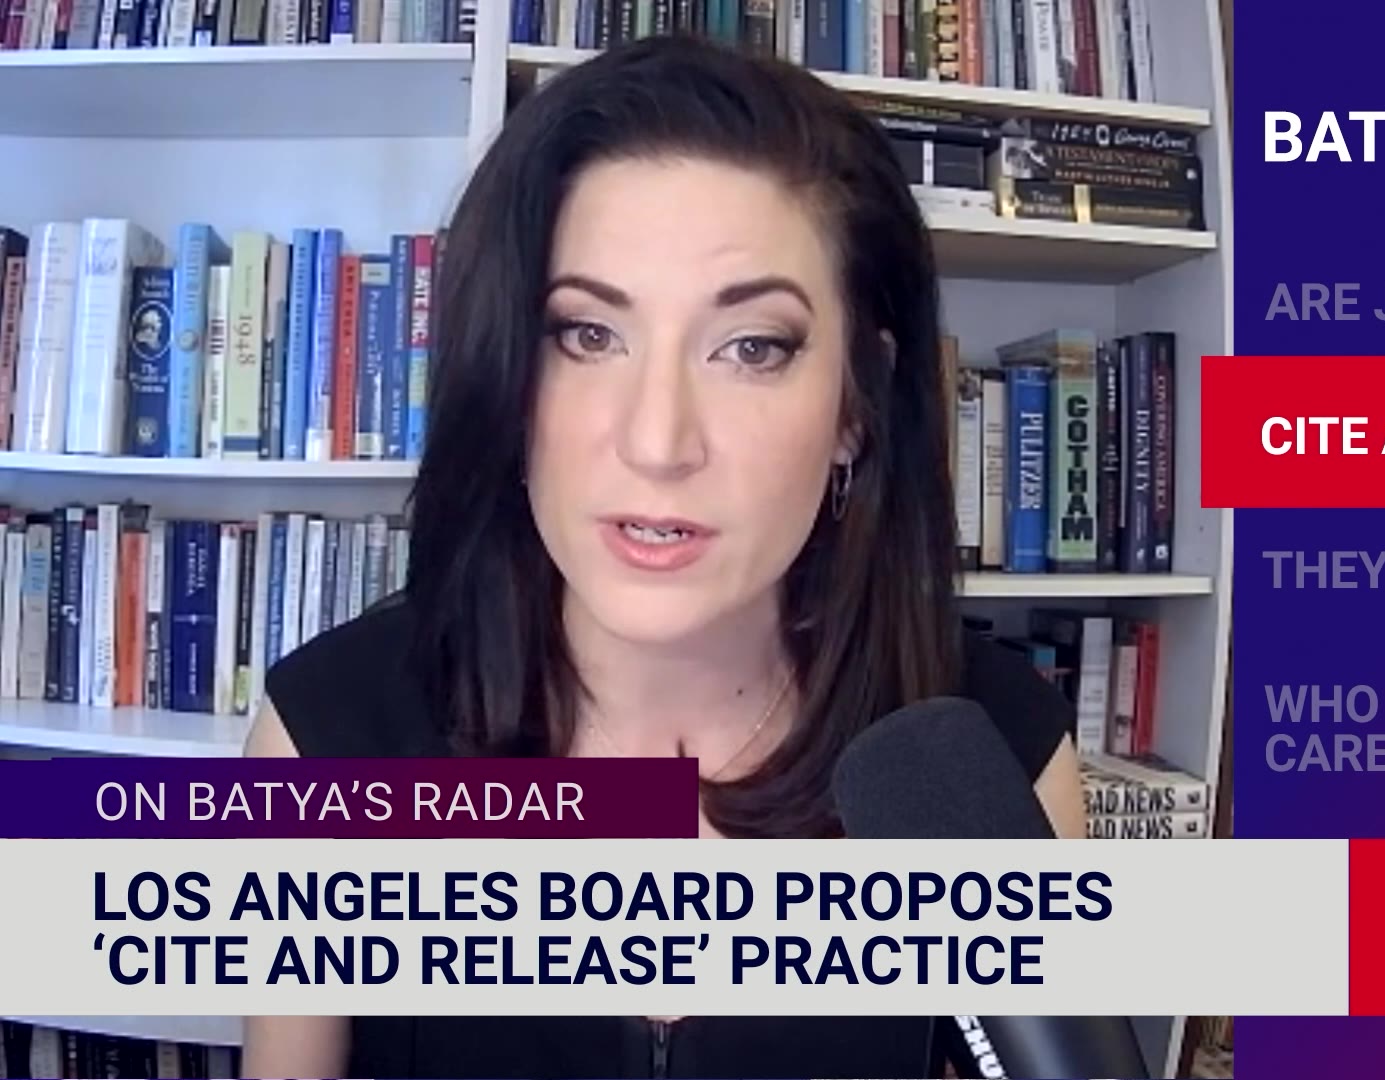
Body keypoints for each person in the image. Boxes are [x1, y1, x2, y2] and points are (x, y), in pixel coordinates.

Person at [240, 32, 1086, 1080]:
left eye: (752, 348)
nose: (657, 442)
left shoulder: (993, 761)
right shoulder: (330, 735)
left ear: (855, 406)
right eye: (588, 335)